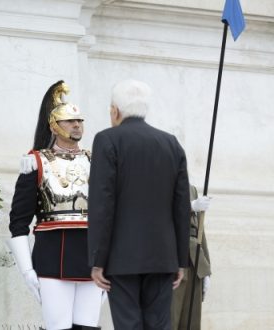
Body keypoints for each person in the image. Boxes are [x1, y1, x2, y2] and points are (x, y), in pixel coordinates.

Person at [87, 79, 191, 329]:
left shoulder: (107, 140)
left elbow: (102, 203)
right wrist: (180, 259)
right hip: (163, 256)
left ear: (115, 111)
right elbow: (181, 207)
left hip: (121, 258)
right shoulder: (171, 143)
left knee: (128, 325)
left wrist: (97, 259)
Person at [9, 81, 104, 330]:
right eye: (69, 121)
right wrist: (27, 270)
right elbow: (18, 222)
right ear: (54, 125)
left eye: (79, 120)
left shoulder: (97, 160)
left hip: (93, 256)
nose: (76, 125)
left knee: (88, 327)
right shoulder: (35, 162)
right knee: (58, 326)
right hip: (54, 255)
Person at [171, 185, 212, 329]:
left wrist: (206, 269)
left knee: (190, 323)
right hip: (172, 260)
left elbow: (199, 231)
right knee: (170, 320)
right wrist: (189, 206)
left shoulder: (191, 188)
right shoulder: (160, 179)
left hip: (195, 262)